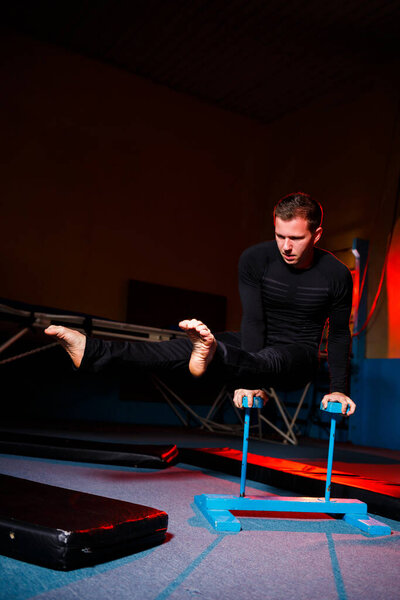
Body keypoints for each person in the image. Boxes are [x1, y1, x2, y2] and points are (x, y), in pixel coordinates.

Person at [45, 193, 356, 416]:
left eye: (296, 238)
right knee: (180, 348)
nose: (286, 247)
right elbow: (254, 320)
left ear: (316, 235)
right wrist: (247, 378)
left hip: (297, 355)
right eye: (279, 236)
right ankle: (92, 351)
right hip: (253, 344)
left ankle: (214, 353)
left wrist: (339, 388)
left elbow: (340, 334)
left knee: (265, 357)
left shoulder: (336, 275)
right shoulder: (255, 259)